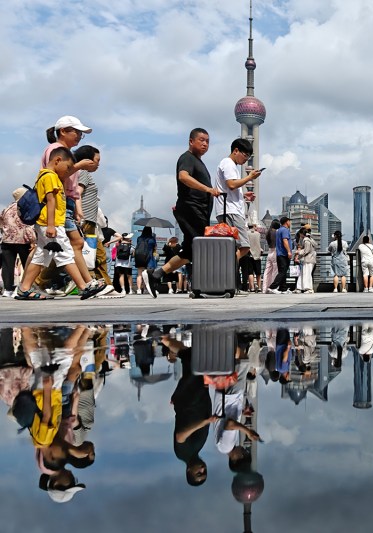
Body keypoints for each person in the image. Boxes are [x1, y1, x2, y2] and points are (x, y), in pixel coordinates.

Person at [15, 148, 104, 300]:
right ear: (57, 161)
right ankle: (83, 287)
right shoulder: (50, 176)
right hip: (52, 224)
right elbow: (51, 201)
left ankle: (24, 288)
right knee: (65, 254)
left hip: (48, 223)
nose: (69, 171)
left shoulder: (48, 176)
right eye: (68, 167)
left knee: (41, 256)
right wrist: (51, 225)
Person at [143, 128, 221, 297]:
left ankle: (155, 274)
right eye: (201, 140)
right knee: (201, 246)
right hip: (191, 209)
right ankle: (202, 286)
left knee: (189, 251)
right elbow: (183, 177)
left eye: (207, 141)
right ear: (191, 141)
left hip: (198, 211)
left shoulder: (199, 162)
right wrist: (207, 189)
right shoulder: (187, 158)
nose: (205, 143)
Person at [37, 116, 106, 297]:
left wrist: (76, 207)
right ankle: (85, 284)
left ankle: (86, 283)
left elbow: (70, 184)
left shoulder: (64, 151)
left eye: (80, 134)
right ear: (63, 131)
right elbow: (58, 176)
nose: (78, 136)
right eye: (76, 132)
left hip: (64, 202)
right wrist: (79, 165)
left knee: (53, 247)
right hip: (57, 202)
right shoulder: (56, 150)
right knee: (73, 244)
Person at [162, 334, 213, 486]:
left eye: (199, 473)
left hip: (190, 402)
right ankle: (164, 339)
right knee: (191, 359)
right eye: (205, 473)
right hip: (198, 399)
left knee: (193, 362)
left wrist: (204, 422)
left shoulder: (183, 454)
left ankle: (162, 339)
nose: (203, 469)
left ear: (189, 471)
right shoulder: (196, 450)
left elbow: (180, 436)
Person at [214, 139, 261, 262]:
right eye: (245, 155)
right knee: (244, 246)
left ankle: (226, 266)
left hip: (228, 210)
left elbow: (229, 188)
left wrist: (244, 196)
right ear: (236, 151)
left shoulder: (228, 164)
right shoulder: (229, 163)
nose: (246, 159)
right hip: (231, 211)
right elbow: (231, 184)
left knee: (233, 246)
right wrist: (250, 177)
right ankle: (226, 266)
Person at [74, 145, 114, 292]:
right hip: (86, 220)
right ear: (87, 160)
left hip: (89, 221)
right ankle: (41, 281)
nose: (98, 164)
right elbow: (78, 193)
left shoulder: (79, 172)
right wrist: (80, 213)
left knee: (97, 254)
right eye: (97, 160)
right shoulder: (83, 172)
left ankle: (107, 285)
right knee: (95, 254)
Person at [1, 188, 36, 297]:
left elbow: (1, 223)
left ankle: (8, 289)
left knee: (7, 265)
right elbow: (27, 226)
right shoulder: (24, 207)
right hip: (22, 240)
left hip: (7, 240)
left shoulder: (6, 208)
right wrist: (33, 240)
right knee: (27, 264)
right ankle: (24, 287)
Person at [266, 217, 293, 294]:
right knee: (282, 271)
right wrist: (289, 251)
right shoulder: (284, 230)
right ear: (286, 222)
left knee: (283, 271)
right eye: (289, 221)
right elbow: (285, 241)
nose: (290, 223)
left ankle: (283, 288)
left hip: (279, 254)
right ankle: (272, 287)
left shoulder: (279, 230)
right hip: (283, 254)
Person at [294, 228, 317, 294]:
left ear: (301, 234)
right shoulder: (310, 239)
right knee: (304, 273)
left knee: (306, 273)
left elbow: (306, 250)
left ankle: (308, 288)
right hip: (311, 259)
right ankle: (300, 287)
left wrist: (298, 252)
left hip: (308, 259)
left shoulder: (306, 241)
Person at [134, 227, 157, 294]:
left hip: (139, 256)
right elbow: (155, 248)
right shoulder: (152, 239)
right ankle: (145, 289)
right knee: (147, 274)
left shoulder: (139, 238)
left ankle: (138, 289)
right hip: (149, 257)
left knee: (139, 274)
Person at [262, 219, 280, 293]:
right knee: (275, 271)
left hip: (270, 251)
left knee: (267, 271)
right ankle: (273, 287)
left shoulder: (268, 232)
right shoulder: (276, 232)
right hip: (276, 251)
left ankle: (265, 288)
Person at [246, 224, 262, 292]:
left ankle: (252, 288)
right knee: (258, 273)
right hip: (257, 255)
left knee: (250, 272)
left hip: (249, 254)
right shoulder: (258, 234)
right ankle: (259, 287)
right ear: (254, 227)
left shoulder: (246, 234)